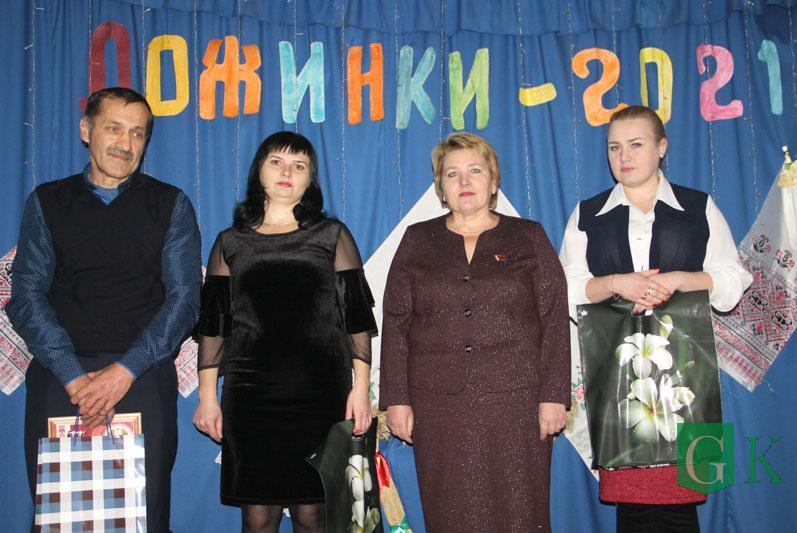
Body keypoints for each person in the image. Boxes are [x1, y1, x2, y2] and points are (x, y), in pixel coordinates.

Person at [6, 86, 202, 531]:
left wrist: (123, 372)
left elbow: (185, 301)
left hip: (142, 378)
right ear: (86, 130)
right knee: (62, 518)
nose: (125, 144)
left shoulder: (170, 205)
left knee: (143, 516)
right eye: (114, 128)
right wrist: (74, 377)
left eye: (137, 133)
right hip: (61, 380)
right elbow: (27, 295)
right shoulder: (47, 201)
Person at [559, 105, 753, 532]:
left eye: (635, 144)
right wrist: (617, 283)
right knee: (632, 507)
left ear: (661, 147)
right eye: (614, 147)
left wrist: (681, 279)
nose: (623, 156)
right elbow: (566, 287)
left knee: (682, 504)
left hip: (687, 373)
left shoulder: (698, 206)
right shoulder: (587, 213)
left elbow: (733, 279)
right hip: (617, 378)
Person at [379, 132, 571, 532]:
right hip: (437, 405)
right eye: (452, 174)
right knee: (450, 511)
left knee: (520, 511)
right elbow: (396, 323)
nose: (464, 181)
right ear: (441, 187)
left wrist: (554, 395)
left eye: (475, 171)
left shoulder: (529, 236)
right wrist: (396, 399)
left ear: (494, 181)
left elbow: (554, 319)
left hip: (517, 401)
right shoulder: (417, 240)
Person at [192, 131, 377, 533]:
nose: (287, 172)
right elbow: (214, 326)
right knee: (257, 519)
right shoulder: (229, 242)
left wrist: (360, 389)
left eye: (299, 165)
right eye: (276, 162)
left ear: (311, 179)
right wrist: (207, 397)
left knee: (315, 517)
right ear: (259, 170)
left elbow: (356, 318)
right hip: (251, 397)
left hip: (321, 395)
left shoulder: (332, 235)